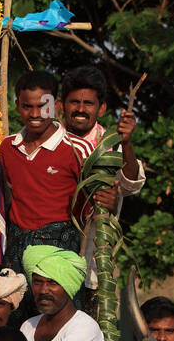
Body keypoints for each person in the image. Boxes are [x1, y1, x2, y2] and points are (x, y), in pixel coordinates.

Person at [0, 71, 88, 312]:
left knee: (58, 319)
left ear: (56, 105)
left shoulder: (77, 148)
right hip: (17, 248)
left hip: (59, 247)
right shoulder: (7, 147)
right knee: (17, 319)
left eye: (43, 106)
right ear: (17, 105)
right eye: (28, 106)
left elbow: (93, 206)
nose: (36, 114)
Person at [59, 66, 145, 308]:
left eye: (88, 103)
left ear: (102, 108)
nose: (80, 109)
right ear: (61, 105)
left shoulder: (109, 144)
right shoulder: (50, 139)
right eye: (74, 102)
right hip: (52, 258)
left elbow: (130, 185)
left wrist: (125, 143)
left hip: (94, 265)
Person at [19, 246, 106, 341]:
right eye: (38, 282)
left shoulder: (84, 326)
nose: (43, 290)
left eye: (52, 283)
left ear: (68, 286)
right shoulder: (27, 326)